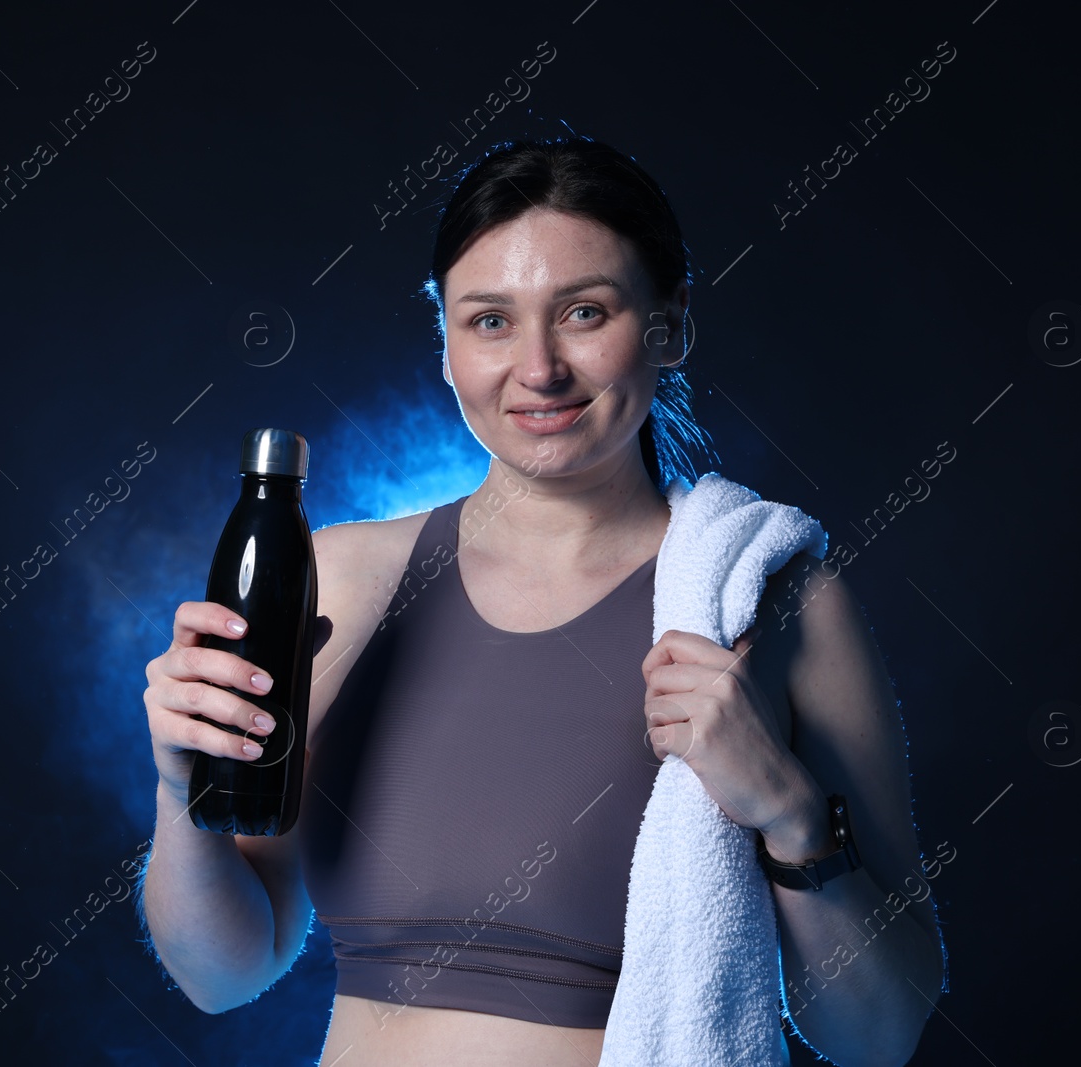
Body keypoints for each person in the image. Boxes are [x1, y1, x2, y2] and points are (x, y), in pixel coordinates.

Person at [139, 137, 947, 1066]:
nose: (539, 367)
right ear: (444, 342)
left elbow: (880, 1034)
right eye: (490, 320)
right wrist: (178, 785)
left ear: (670, 323)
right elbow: (224, 971)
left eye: (584, 312)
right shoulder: (338, 583)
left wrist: (790, 813)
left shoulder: (768, 603)